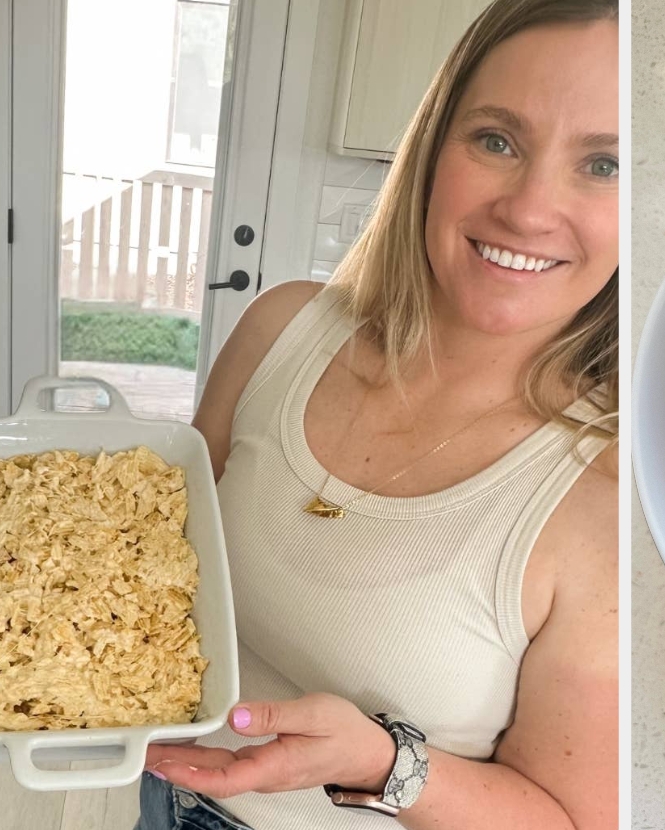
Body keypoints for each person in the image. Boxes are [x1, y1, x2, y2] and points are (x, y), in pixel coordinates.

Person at [138, 0, 618, 827]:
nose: (530, 209)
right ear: (435, 150)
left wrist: (387, 763)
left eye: (606, 165)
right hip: (160, 792)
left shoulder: (617, 493)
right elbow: (163, 555)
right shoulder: (279, 328)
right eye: (496, 140)